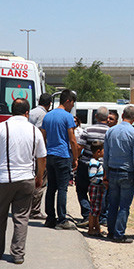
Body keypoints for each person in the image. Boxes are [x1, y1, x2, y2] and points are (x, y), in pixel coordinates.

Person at [0, 98, 47, 264]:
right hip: (26, 180)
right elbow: (42, 157)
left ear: (12, 111)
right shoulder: (35, 131)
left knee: (0, 215)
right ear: (27, 113)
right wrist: (39, 177)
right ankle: (18, 254)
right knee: (21, 217)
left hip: (3, 179)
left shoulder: (2, 127)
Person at [103, 105, 134, 243]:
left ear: (122, 116)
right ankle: (119, 234)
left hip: (113, 172)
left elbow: (106, 156)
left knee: (113, 204)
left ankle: (111, 231)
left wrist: (105, 174)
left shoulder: (111, 131)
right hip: (127, 173)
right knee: (124, 206)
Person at [41, 89, 79, 230]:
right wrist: (75, 158)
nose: (72, 107)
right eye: (72, 103)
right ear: (68, 101)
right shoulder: (67, 117)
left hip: (50, 155)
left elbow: (42, 137)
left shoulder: (48, 116)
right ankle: (62, 219)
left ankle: (50, 218)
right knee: (62, 188)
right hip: (63, 156)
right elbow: (72, 140)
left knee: (51, 188)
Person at [75, 107, 110, 227]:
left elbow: (80, 146)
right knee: (101, 192)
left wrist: (76, 159)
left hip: (85, 164)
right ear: (107, 118)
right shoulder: (110, 132)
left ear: (96, 117)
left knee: (81, 189)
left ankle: (87, 214)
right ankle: (100, 217)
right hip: (103, 167)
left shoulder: (88, 130)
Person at [28, 93, 52, 220]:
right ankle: (35, 211)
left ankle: (26, 207)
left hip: (27, 151)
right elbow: (41, 134)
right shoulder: (44, 115)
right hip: (37, 152)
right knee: (40, 181)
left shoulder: (30, 112)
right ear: (49, 104)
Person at [87, 140, 105, 237]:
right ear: (98, 151)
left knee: (97, 209)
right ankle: (91, 228)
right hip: (95, 188)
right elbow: (92, 177)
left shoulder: (97, 162)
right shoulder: (94, 163)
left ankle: (97, 228)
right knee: (94, 209)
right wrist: (101, 181)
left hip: (98, 188)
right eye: (103, 150)